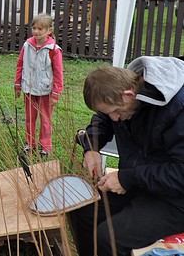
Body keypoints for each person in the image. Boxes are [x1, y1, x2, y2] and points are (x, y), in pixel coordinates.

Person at [69, 56, 184, 256]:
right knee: (82, 210)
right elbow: (103, 118)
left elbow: (180, 173)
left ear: (128, 95)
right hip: (143, 183)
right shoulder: (127, 96)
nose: (115, 118)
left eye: (116, 112)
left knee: (110, 238)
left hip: (175, 199)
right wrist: (91, 146)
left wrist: (127, 178)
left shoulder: (177, 109)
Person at [14, 13, 63, 157]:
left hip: (45, 91)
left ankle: (45, 147)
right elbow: (20, 65)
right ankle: (29, 143)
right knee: (29, 118)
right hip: (28, 89)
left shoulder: (54, 50)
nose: (36, 31)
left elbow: (58, 72)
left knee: (45, 120)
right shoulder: (27, 45)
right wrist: (18, 85)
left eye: (40, 29)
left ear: (49, 30)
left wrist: (56, 93)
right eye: (34, 28)